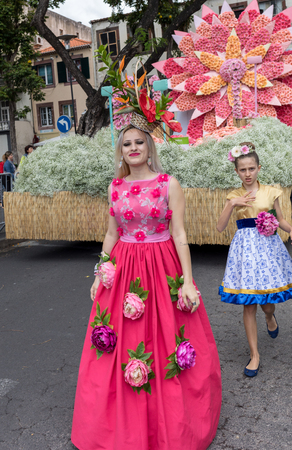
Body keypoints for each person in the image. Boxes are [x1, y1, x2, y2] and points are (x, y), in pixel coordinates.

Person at [71, 124, 222, 450]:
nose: (134, 147)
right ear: (121, 150)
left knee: (167, 339)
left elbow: (180, 234)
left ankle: (172, 426)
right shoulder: (115, 187)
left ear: (150, 147)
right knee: (119, 343)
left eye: (140, 142)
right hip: (124, 269)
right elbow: (111, 233)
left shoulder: (170, 184)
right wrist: (100, 271)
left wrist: (187, 282)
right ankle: (121, 428)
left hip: (162, 266)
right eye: (127, 144)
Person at [217, 142, 292, 378]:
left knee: (267, 302)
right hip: (244, 252)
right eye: (242, 170)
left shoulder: (272, 191)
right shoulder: (234, 195)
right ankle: (255, 355)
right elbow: (220, 228)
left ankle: (270, 316)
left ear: (258, 168)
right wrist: (232, 204)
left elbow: (281, 220)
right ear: (237, 171)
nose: (247, 174)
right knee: (249, 303)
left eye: (251, 169)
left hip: (268, 249)